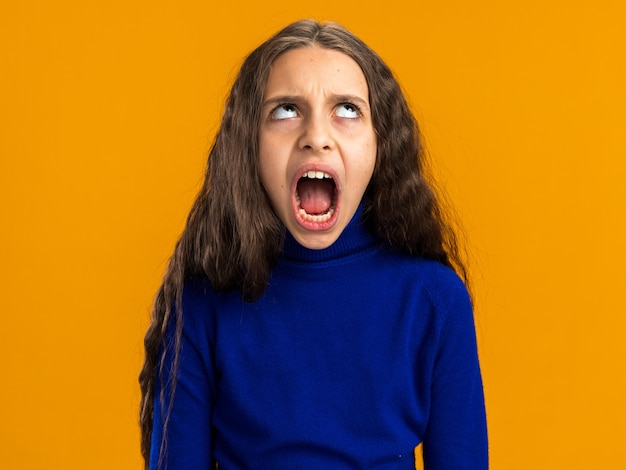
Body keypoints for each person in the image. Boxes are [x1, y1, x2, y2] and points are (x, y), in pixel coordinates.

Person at [139, 19, 488, 470]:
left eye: (346, 110)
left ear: (380, 143)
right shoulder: (203, 303)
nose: (316, 137)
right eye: (286, 110)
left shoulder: (434, 300)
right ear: (249, 145)